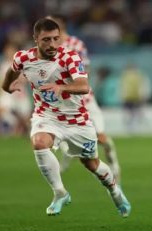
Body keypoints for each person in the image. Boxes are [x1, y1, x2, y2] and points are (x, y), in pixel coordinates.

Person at [1, 18, 130, 217]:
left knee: (91, 164)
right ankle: (60, 193)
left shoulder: (69, 57)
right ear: (35, 39)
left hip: (77, 120)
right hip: (47, 116)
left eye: (55, 39)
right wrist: (7, 86)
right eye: (46, 40)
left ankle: (114, 190)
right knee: (39, 142)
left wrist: (62, 87)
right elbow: (12, 70)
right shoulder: (23, 58)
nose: (52, 44)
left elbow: (83, 86)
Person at [46, 14, 121, 177]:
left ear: (61, 25)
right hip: (63, 101)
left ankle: (113, 160)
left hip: (83, 99)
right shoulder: (46, 47)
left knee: (100, 137)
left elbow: (85, 70)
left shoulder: (75, 44)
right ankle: (65, 160)